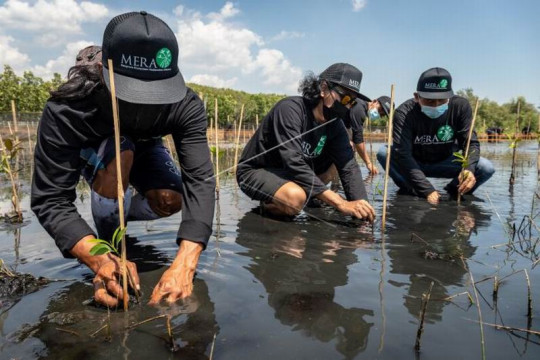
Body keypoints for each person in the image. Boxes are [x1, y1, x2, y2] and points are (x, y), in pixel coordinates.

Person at [31, 11, 215, 307]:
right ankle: (111, 238)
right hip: (105, 152)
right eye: (133, 92)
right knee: (122, 151)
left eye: (155, 93)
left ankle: (121, 211)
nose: (144, 103)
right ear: (105, 71)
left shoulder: (185, 104)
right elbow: (50, 198)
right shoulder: (69, 108)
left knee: (172, 197)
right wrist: (98, 257)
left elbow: (200, 180)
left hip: (145, 150)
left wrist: (185, 262)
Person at [236, 63, 375, 221]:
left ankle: (302, 193)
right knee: (295, 198)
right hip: (256, 172)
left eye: (352, 102)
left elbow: (349, 168)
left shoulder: (335, 124)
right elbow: (293, 161)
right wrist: (341, 203)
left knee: (343, 156)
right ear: (323, 88)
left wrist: (363, 210)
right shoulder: (290, 109)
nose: (347, 105)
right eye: (345, 97)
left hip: (291, 175)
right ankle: (270, 204)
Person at [376, 67, 494, 204]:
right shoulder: (403, 113)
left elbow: (471, 143)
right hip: (414, 163)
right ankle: (411, 189)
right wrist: (427, 190)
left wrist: (468, 169)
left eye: (442, 100)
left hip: (446, 162)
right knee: (384, 153)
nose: (436, 105)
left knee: (485, 167)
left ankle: (453, 190)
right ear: (416, 97)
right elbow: (403, 154)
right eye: (430, 101)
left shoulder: (460, 107)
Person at [348, 96, 392, 174]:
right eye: (380, 109)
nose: (380, 114)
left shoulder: (362, 106)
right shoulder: (360, 109)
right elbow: (358, 139)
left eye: (383, 114)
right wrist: (368, 163)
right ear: (375, 101)